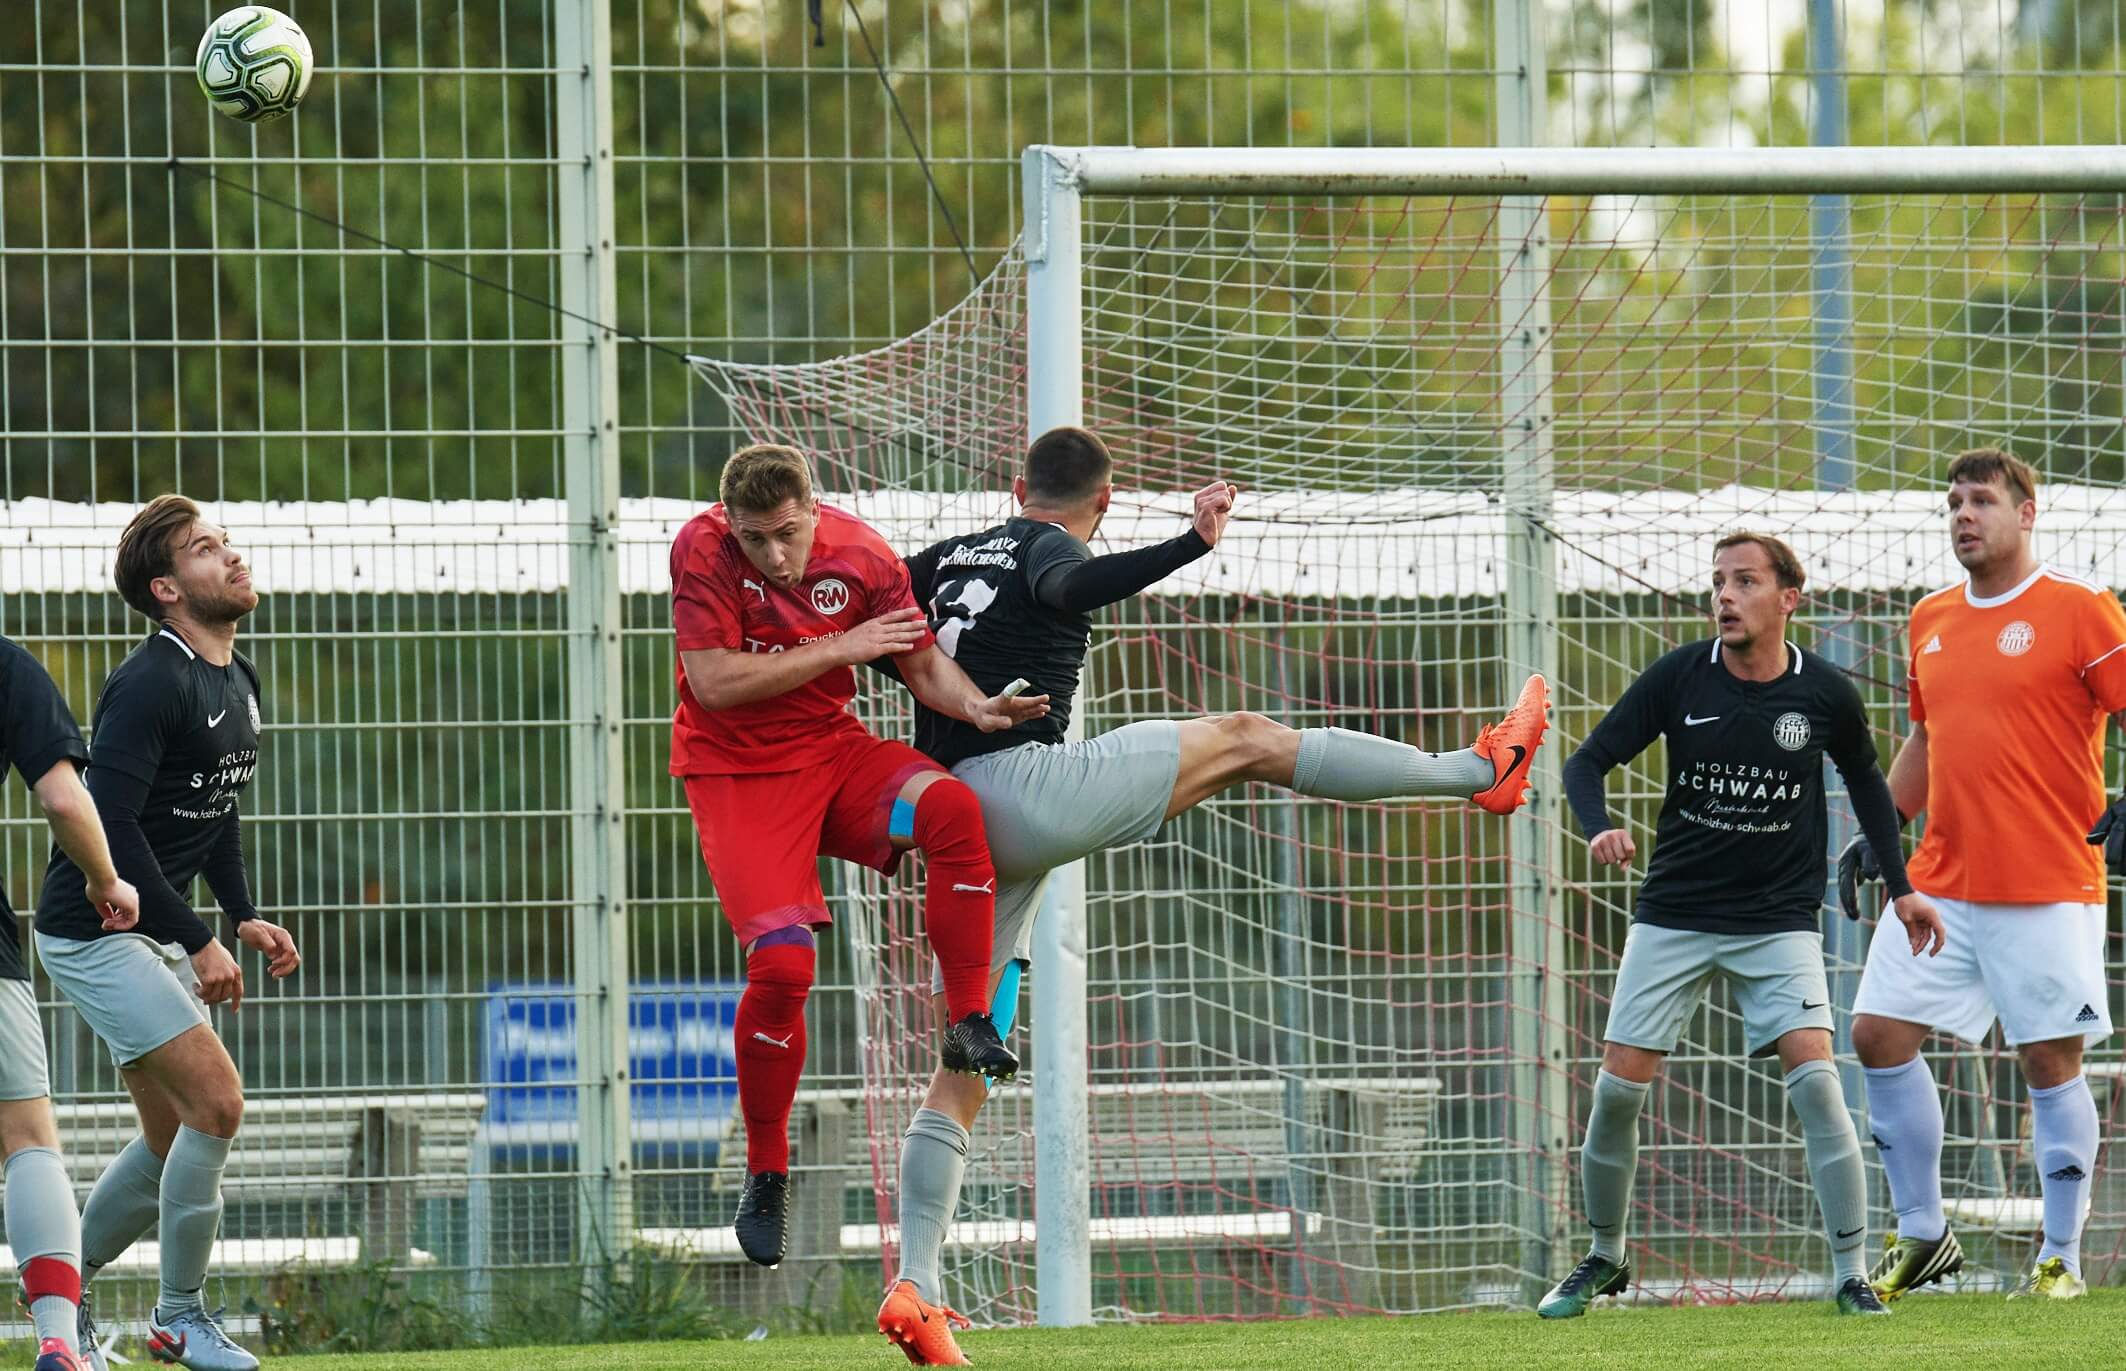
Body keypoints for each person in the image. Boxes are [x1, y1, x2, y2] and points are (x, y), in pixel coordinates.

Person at [871, 426, 1550, 1364]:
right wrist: (1192, 542)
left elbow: (873, 629)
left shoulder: (939, 560)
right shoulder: (1053, 545)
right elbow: (1070, 585)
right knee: (1242, 734)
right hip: (1021, 791)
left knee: (967, 1059)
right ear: (1101, 503)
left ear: (1014, 483)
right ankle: (1477, 769)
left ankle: (917, 1283)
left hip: (958, 827)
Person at [1537, 531, 1945, 1321]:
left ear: (1787, 599)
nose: (1724, 595)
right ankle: (1605, 1253)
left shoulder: (1824, 694)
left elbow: (1869, 789)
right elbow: (1584, 763)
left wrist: (1902, 888)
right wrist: (1597, 825)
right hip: (1676, 913)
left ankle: (1852, 1270)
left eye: (1744, 581)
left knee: (1821, 1086)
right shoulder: (1679, 676)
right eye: (1718, 581)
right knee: (1617, 1092)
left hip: (1777, 922)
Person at [670, 443, 1049, 1270]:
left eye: (785, 533)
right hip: (737, 775)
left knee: (952, 807)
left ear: (814, 508)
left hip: (830, 752)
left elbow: (918, 663)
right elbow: (714, 684)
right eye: (754, 538)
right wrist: (844, 649)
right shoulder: (700, 548)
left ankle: (966, 1021)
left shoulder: (865, 555)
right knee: (784, 964)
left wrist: (979, 707)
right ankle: (767, 1171)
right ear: (727, 522)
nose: (773, 555)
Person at [1840, 448, 2126, 1302]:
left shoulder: (2081, 610)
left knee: (2047, 1057)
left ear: (2027, 513)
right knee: (1877, 1033)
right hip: (1941, 881)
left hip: (2047, 878)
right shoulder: (1930, 617)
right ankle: (1925, 1235)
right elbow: (1929, 737)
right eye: (1954, 502)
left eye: (1982, 500)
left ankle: (2061, 1258)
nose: (1964, 515)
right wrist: (1886, 821)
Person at [35, 496, 302, 1371]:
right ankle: (179, 1318)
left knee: (169, 1138)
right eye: (204, 549)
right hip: (93, 929)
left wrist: (241, 913)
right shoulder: (154, 678)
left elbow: (213, 811)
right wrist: (195, 937)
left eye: (226, 542)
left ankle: (59, 1307)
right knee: (218, 1103)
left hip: (147, 931)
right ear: (166, 588)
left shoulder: (235, 676)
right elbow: (110, 821)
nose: (231, 557)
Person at [0, 634, 141, 1371]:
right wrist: (105, 878)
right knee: (26, 1139)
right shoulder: (5, 664)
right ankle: (58, 1339)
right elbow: (61, 794)